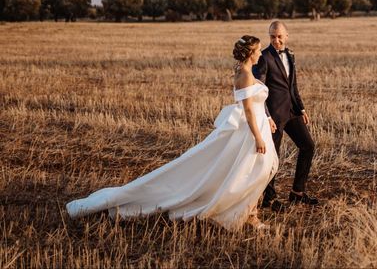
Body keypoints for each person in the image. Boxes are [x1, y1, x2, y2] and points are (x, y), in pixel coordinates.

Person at [66, 35, 278, 230]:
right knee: (252, 173)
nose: (261, 53)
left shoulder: (247, 73)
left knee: (256, 173)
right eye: (258, 50)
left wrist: (267, 120)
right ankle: (248, 215)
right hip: (248, 134)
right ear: (250, 53)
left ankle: (251, 214)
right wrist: (258, 137)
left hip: (257, 126)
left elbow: (255, 108)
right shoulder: (245, 76)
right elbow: (248, 110)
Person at [253, 20, 318, 211]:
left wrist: (302, 109)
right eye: (272, 36)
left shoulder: (290, 55)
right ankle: (269, 200)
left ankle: (297, 193)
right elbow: (259, 90)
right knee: (273, 157)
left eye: (280, 36)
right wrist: (266, 117)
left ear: (286, 36)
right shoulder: (263, 57)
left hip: (292, 112)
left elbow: (293, 86)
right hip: (273, 116)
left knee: (308, 146)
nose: (276, 40)